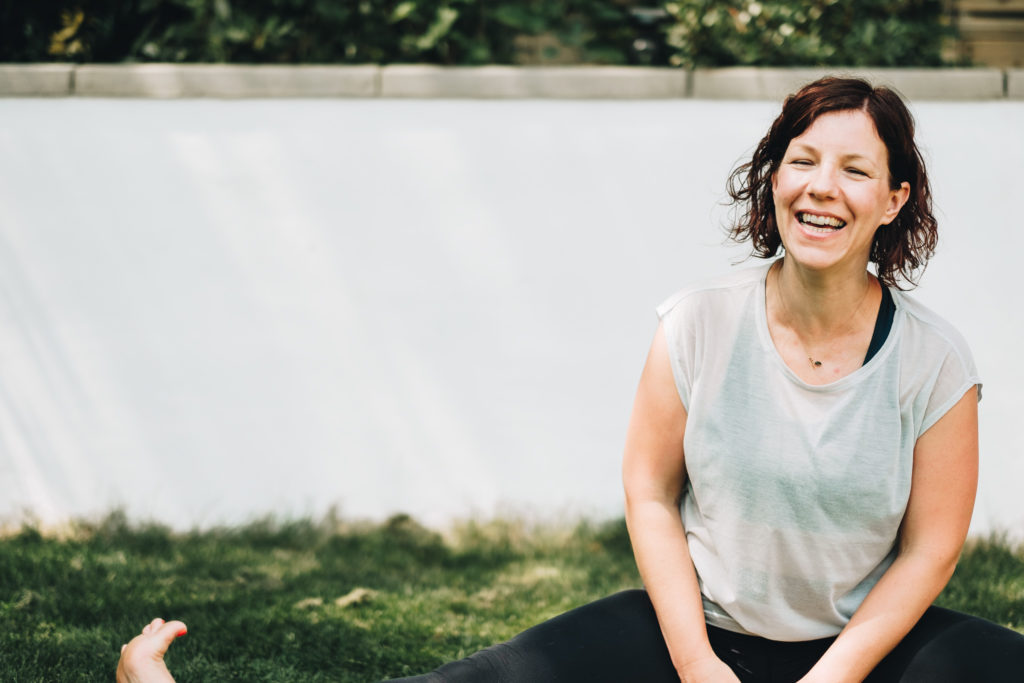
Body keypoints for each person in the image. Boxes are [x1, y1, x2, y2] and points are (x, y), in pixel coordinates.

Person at [116, 76, 1024, 683]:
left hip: (863, 651)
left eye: (856, 170)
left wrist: (831, 678)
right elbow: (649, 488)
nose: (822, 188)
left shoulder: (933, 360)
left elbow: (930, 548)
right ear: (774, 177)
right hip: (697, 636)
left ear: (894, 198)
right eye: (803, 160)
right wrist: (698, 662)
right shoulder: (698, 321)